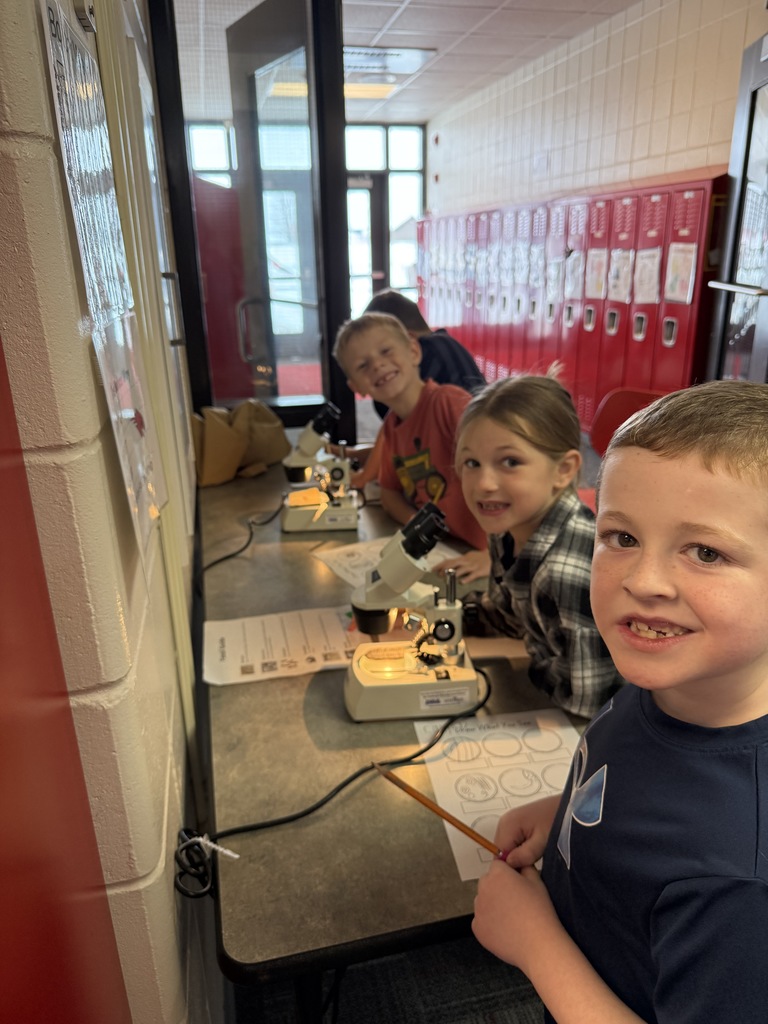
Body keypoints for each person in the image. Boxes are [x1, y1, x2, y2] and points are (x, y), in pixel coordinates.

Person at [472, 379, 768, 1024]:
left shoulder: (739, 882)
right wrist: (567, 812)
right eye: (622, 537)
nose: (642, 581)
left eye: (706, 551)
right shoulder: (670, 677)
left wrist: (535, 947)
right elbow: (644, 773)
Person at [453, 371, 623, 718]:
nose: (484, 483)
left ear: (563, 470)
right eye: (472, 463)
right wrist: (446, 618)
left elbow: (589, 705)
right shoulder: (507, 530)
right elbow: (509, 617)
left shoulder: (563, 573)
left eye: (510, 462)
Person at [332, 311, 488, 569]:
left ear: (414, 351)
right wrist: (421, 527)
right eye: (363, 365)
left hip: (494, 554)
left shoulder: (450, 403)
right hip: (454, 549)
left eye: (385, 351)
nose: (377, 365)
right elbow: (389, 492)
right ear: (357, 387)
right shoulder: (392, 428)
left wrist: (496, 556)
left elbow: (503, 479)